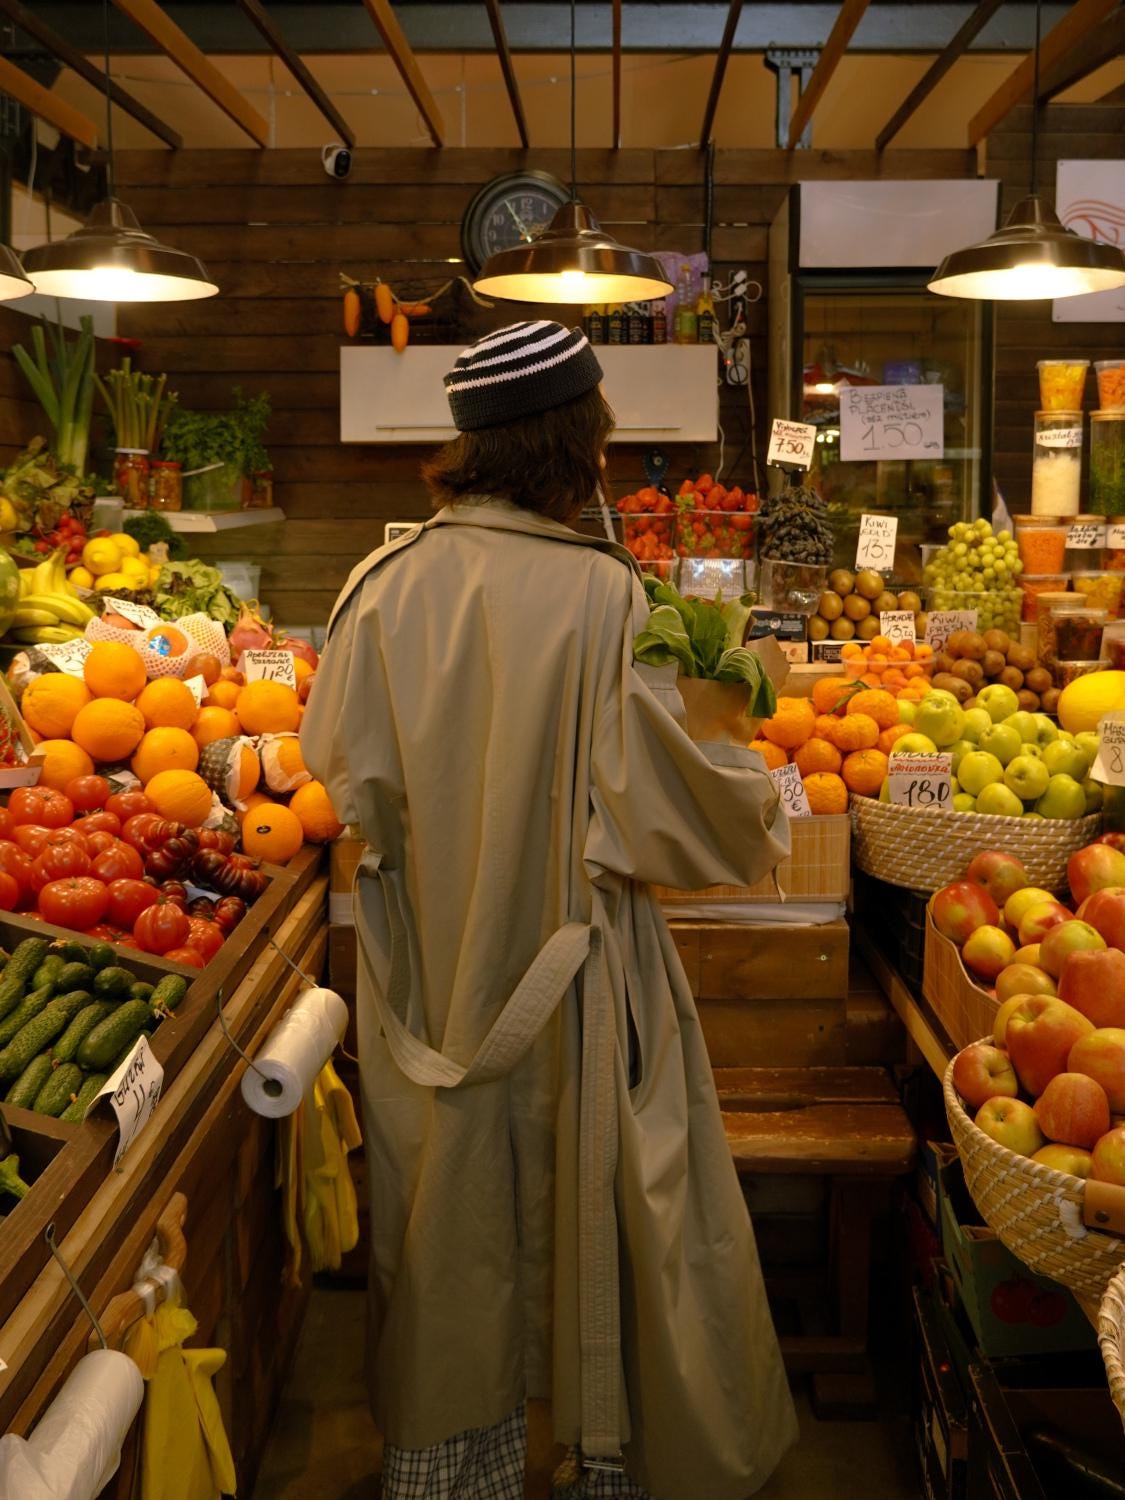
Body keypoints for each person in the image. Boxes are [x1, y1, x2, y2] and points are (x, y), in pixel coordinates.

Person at [301, 320, 798, 1500]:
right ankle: (599, 1462)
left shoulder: (377, 589)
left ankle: (446, 1470)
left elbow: (343, 782)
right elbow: (689, 822)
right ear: (579, 442)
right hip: (580, 991)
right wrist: (742, 742)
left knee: (449, 1244)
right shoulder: (607, 598)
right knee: (608, 1241)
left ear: (468, 445)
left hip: (431, 982)